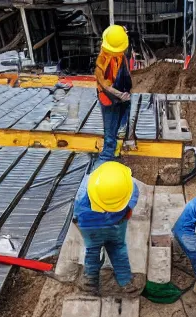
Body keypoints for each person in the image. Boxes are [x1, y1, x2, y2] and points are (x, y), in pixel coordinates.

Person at [73, 161, 139, 294]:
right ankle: (126, 282)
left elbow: (77, 216)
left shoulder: (82, 191)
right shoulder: (128, 186)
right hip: (116, 225)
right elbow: (130, 208)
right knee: (118, 250)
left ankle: (91, 282)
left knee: (92, 251)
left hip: (90, 227)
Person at [95, 25, 132, 165]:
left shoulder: (119, 55)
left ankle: (115, 149)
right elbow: (105, 86)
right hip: (109, 100)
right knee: (110, 131)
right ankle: (106, 160)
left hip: (121, 97)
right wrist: (121, 95)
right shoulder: (102, 62)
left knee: (120, 123)